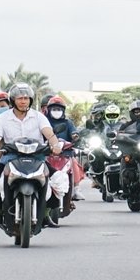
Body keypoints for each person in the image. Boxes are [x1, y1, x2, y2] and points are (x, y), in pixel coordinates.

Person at [0, 83, 64, 227]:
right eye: (20, 98)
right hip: (11, 157)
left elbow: (49, 133)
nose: (23, 101)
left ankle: (46, 213)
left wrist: (55, 144)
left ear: (31, 100)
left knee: (59, 179)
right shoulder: (2, 119)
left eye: (26, 98)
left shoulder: (39, 117)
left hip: (37, 158)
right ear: (13, 100)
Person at [41, 95, 80, 223]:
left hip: (65, 154)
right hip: (46, 154)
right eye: (54, 108)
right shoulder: (44, 121)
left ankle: (75, 191)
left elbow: (74, 134)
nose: (56, 111)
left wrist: (75, 137)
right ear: (48, 109)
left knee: (74, 167)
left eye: (59, 108)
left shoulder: (68, 123)